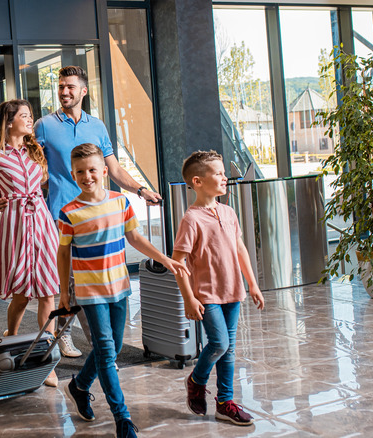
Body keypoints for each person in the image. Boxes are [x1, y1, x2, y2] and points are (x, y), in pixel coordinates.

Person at [58, 143, 189, 438]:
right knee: (106, 351)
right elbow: (63, 254)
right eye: (80, 172)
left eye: (92, 170)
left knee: (114, 347)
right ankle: (123, 418)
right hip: (90, 292)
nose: (87, 176)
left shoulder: (120, 202)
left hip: (119, 287)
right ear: (72, 174)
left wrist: (164, 258)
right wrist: (64, 293)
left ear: (104, 171)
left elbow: (135, 238)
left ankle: (79, 386)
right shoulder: (68, 213)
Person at [32, 65, 163, 358]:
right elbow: (35, 168)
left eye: (70, 87)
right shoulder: (44, 125)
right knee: (68, 281)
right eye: (61, 87)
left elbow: (113, 169)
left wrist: (140, 191)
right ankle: (85, 344)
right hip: (61, 214)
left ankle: (101, 348)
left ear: (83, 91)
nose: (64, 92)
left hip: (99, 213)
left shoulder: (98, 126)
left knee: (93, 278)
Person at [0, 99, 61, 387]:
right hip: (16, 223)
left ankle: (46, 355)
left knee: (48, 291)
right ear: (9, 121)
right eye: (24, 116)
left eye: (30, 115)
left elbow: (42, 183)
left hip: (42, 222)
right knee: (22, 292)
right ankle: (11, 338)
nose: (30, 120)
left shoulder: (35, 151)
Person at [171, 150, 265, 426]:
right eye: (219, 173)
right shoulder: (192, 219)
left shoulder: (228, 211)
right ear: (198, 181)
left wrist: (253, 284)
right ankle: (197, 380)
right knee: (220, 343)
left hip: (233, 291)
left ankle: (225, 402)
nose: (225, 178)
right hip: (208, 294)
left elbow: (240, 249)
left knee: (229, 349)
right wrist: (188, 298)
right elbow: (179, 261)